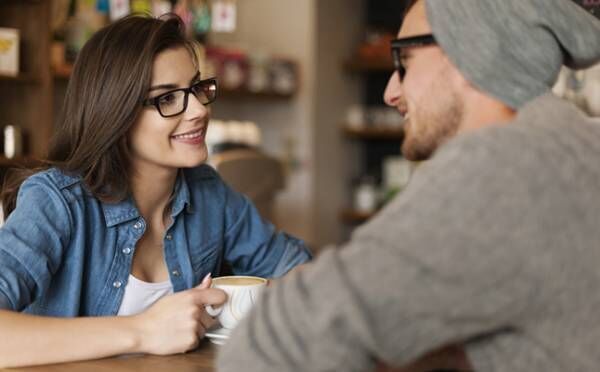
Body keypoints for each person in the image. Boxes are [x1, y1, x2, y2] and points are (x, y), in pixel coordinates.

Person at [218, 0, 600, 371]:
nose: (390, 93)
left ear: (470, 51)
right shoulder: (575, 146)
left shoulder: (500, 167)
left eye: (404, 59)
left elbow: (274, 343)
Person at [0, 15, 311, 368]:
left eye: (196, 89)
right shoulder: (58, 201)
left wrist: (251, 300)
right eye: (166, 98)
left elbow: (300, 271)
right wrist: (144, 330)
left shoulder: (208, 194)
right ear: (116, 113)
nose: (198, 110)